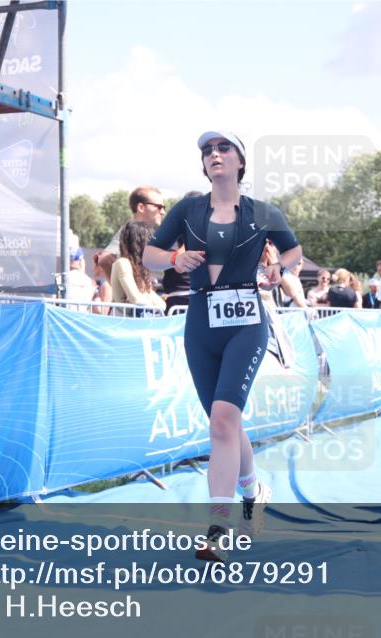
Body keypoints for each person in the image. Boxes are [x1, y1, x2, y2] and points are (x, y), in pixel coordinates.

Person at [142, 130, 302, 562]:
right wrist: (175, 259)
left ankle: (217, 527)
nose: (214, 155)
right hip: (200, 321)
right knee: (223, 423)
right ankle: (253, 491)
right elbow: (149, 257)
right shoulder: (188, 209)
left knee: (224, 420)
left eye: (223, 148)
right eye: (207, 151)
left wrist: (276, 268)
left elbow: (295, 253)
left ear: (240, 162)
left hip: (246, 321)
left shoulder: (262, 211)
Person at [97, 186, 165, 280]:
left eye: (163, 207)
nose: (163, 212)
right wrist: (123, 290)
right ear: (141, 207)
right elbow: (104, 260)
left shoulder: (143, 231)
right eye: (159, 207)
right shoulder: (128, 230)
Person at [113, 220, 165, 314]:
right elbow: (136, 300)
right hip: (123, 325)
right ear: (141, 242)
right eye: (150, 239)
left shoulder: (140, 267)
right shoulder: (123, 263)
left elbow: (161, 304)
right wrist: (152, 303)